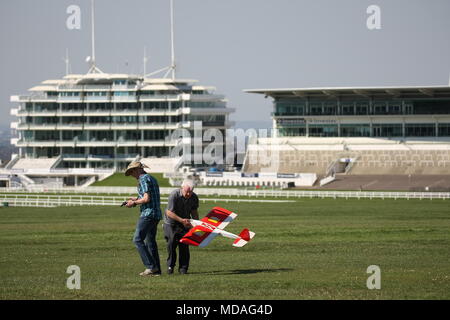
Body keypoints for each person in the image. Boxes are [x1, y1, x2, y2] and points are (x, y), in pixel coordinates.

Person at [124, 161, 162, 276]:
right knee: (150, 242)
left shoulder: (143, 179)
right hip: (156, 214)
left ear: (137, 170)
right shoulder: (151, 178)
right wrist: (135, 198)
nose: (131, 174)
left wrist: (134, 203)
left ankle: (150, 267)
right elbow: (148, 195)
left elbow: (146, 199)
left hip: (148, 213)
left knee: (137, 239)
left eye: (132, 171)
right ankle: (156, 270)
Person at [163, 179, 199, 274]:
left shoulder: (194, 197)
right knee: (171, 245)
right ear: (182, 188)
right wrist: (181, 220)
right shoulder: (174, 195)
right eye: (187, 192)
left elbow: (194, 212)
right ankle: (170, 267)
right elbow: (169, 212)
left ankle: (183, 268)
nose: (189, 194)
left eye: (191, 192)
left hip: (185, 223)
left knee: (184, 245)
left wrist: (196, 224)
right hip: (171, 223)